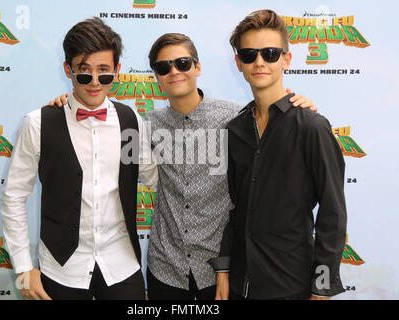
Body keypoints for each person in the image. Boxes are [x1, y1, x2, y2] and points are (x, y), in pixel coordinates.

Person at [49, 32, 317, 300]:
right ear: (156, 76)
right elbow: (100, 140)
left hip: (220, 269)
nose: (174, 71)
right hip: (166, 269)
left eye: (183, 63)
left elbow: (272, 125)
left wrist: (297, 105)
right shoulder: (143, 125)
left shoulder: (234, 118)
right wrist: (67, 105)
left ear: (197, 67)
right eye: (164, 67)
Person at [0, 17, 157, 300]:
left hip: (121, 265)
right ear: (68, 70)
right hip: (61, 268)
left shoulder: (130, 119)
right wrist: (24, 267)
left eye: (104, 73)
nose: (95, 83)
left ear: (117, 71)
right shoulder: (37, 123)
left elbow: (154, 176)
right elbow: (13, 197)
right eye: (84, 73)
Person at [209, 9, 347, 300]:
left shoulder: (312, 127)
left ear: (286, 59)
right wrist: (223, 270)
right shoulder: (234, 130)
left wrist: (321, 290)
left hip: (290, 287)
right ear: (239, 62)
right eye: (249, 54)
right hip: (239, 286)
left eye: (270, 53)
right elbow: (231, 209)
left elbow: (333, 215)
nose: (259, 62)